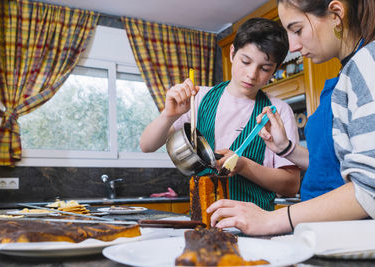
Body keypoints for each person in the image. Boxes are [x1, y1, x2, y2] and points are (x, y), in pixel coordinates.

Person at [207, 0, 375, 235]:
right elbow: (332, 164)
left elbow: (370, 188)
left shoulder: (368, 62)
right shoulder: (346, 76)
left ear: (336, 14)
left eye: (297, 30)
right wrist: (285, 148)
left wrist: (271, 219)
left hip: (348, 236)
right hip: (326, 235)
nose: (294, 46)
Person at [140, 18, 300, 211]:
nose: (251, 74)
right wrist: (169, 115)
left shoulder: (278, 111)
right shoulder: (199, 98)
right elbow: (147, 145)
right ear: (232, 53)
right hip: (202, 221)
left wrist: (243, 166)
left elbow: (292, 185)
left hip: (256, 225)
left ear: (274, 70)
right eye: (245, 61)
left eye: (264, 68)